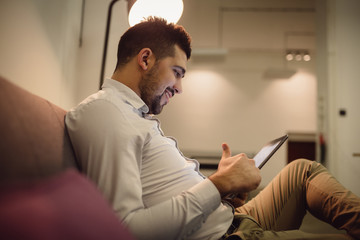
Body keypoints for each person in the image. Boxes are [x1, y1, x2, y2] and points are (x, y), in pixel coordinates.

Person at [65, 17, 360, 240]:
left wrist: (222, 191)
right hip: (225, 235)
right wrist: (218, 185)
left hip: (229, 216)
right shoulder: (106, 113)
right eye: (177, 73)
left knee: (303, 171)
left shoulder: (131, 114)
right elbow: (127, 229)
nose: (179, 88)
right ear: (145, 59)